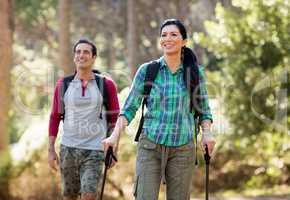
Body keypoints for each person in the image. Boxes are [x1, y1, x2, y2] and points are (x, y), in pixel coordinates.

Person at [102, 18, 216, 200]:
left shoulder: (194, 73)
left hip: (183, 147)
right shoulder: (147, 71)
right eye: (164, 35)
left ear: (184, 41)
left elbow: (204, 111)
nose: (167, 39)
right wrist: (114, 135)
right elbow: (129, 108)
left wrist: (207, 134)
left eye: (173, 34)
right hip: (150, 146)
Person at [48, 39, 120, 200]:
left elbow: (115, 118)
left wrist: (114, 147)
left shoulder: (106, 85)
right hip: (68, 149)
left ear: (94, 57)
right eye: (78, 52)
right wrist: (51, 149)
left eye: (86, 52)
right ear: (74, 57)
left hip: (95, 150)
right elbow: (54, 117)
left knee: (88, 195)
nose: (82, 55)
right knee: (70, 196)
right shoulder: (63, 84)